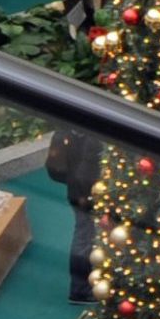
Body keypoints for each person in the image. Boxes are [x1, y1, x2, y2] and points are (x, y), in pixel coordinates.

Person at [45, 127, 101, 303]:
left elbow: (56, 170)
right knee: (85, 237)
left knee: (85, 235)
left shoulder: (67, 130)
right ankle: (80, 289)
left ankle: (84, 286)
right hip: (87, 194)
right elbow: (86, 172)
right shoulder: (92, 137)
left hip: (77, 192)